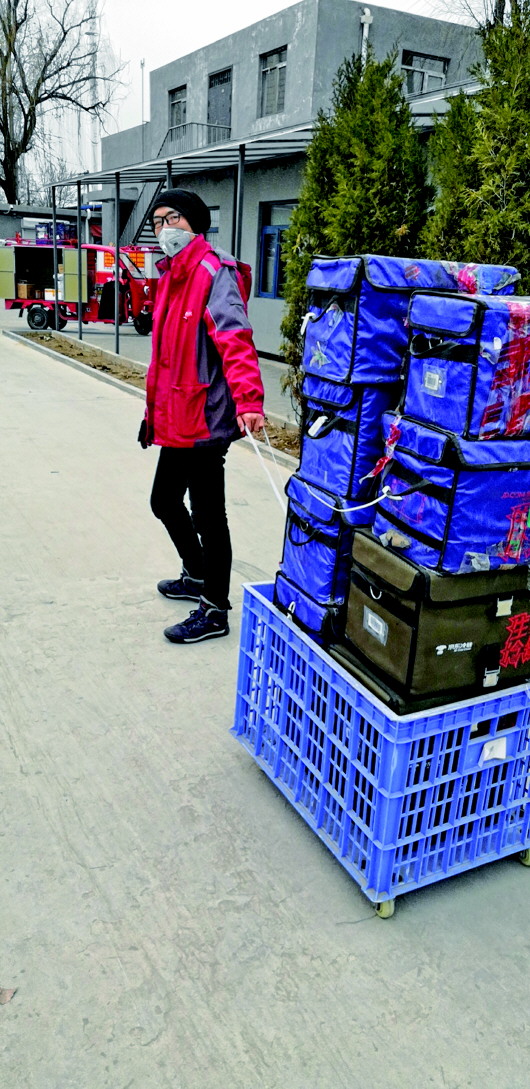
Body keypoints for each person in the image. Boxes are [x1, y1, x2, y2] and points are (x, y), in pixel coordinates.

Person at [138, 188, 265, 644]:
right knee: (164, 501)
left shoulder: (213, 272)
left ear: (193, 222)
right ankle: (195, 574)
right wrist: (152, 415)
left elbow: (235, 339)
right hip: (177, 416)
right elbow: (166, 359)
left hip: (206, 419)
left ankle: (214, 609)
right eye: (157, 222)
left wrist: (249, 401)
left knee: (209, 516)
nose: (163, 228)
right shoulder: (172, 274)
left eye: (171, 218)